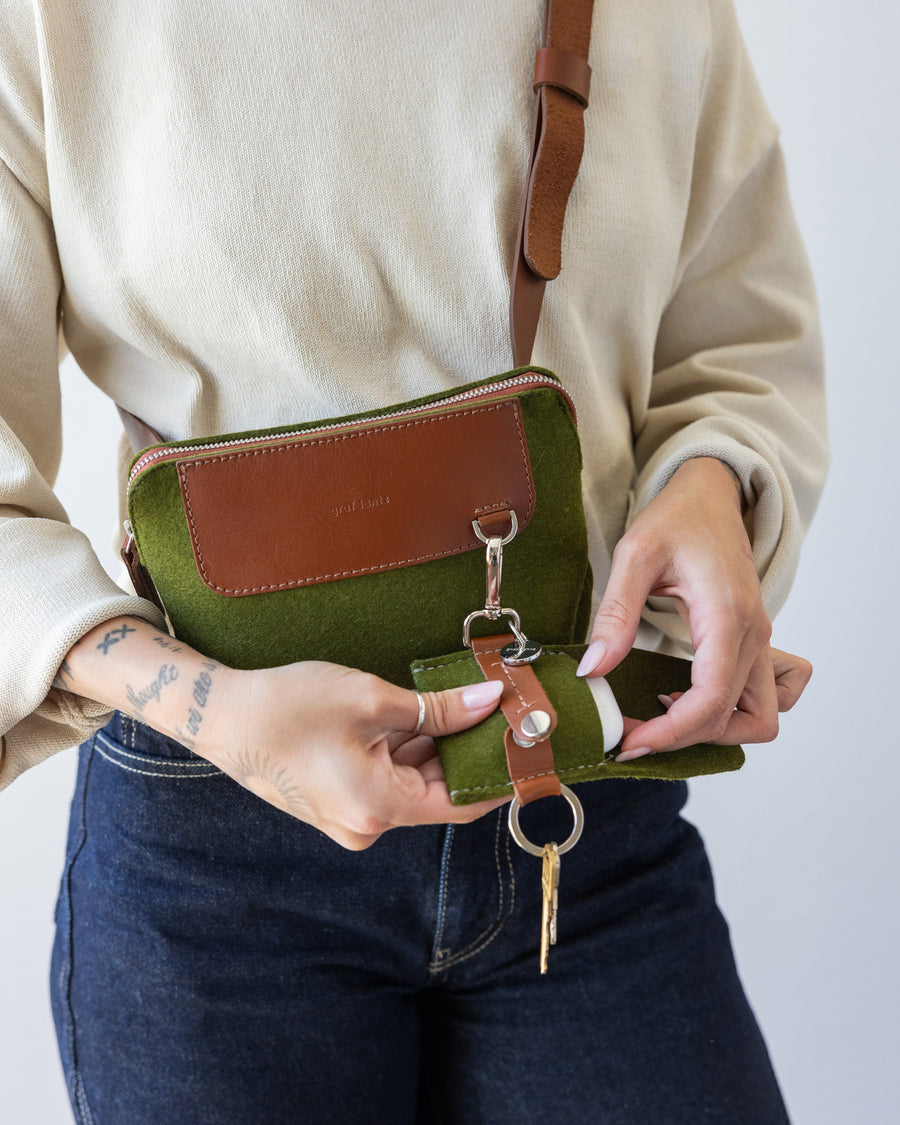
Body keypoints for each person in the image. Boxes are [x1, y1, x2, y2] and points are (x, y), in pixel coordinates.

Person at [0, 1, 826, 1121]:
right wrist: (197, 702)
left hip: (588, 799)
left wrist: (716, 482)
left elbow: (740, 331)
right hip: (219, 861)